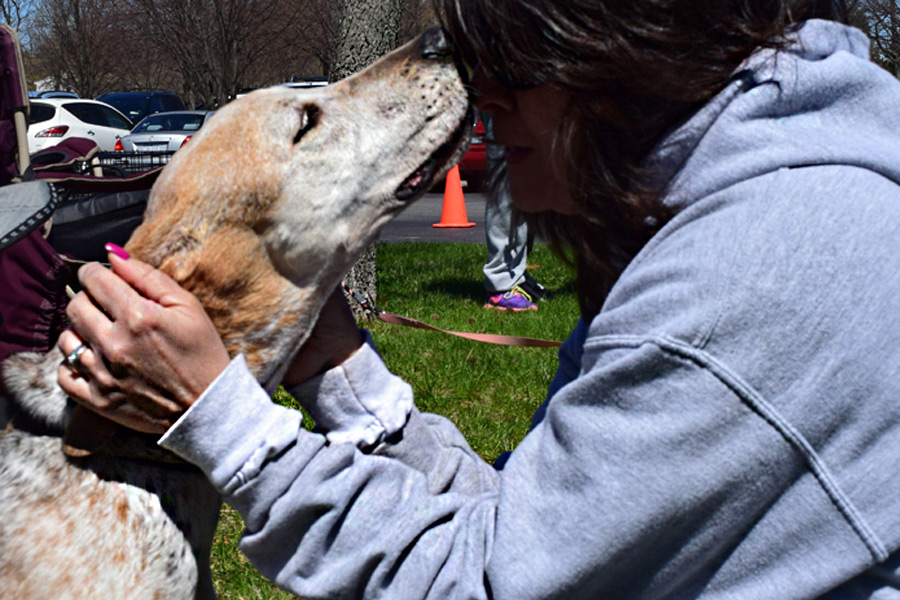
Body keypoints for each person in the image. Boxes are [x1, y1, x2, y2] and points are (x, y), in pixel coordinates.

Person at [57, 0, 900, 597]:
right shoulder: (713, 218)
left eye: (519, 64)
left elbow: (490, 582)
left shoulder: (754, 267)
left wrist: (229, 430)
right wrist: (342, 374)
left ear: (628, 59)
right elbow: (530, 528)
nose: (482, 96)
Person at [480, 111, 548, 311]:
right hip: (505, 92)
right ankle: (500, 285)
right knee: (507, 184)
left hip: (527, 87)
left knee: (526, 183)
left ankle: (515, 276)